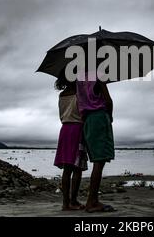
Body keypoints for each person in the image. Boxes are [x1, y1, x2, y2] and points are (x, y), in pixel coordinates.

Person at [77, 71, 115, 213]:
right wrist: (110, 117)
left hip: (87, 120)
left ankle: (91, 201)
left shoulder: (79, 79)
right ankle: (91, 201)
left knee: (97, 161)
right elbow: (108, 101)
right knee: (99, 162)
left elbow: (79, 102)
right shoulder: (98, 75)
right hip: (99, 118)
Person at [53, 73, 88, 211]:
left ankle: (65, 203)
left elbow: (61, 116)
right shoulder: (80, 93)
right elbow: (84, 112)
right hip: (77, 129)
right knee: (78, 168)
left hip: (65, 130)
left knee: (67, 169)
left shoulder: (61, 95)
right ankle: (73, 201)